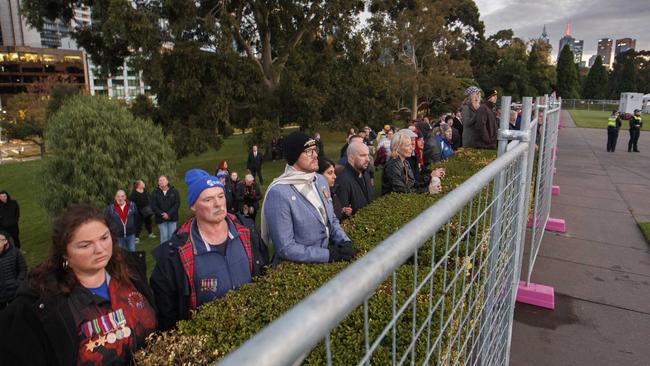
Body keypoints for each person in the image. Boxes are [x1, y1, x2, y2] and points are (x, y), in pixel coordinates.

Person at [0, 205, 156, 365]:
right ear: (64, 253)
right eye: (85, 245)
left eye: (104, 238)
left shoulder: (130, 271)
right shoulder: (42, 303)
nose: (100, 249)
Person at [150, 169, 268, 331]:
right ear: (193, 206)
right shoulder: (175, 255)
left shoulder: (247, 232)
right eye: (208, 199)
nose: (218, 203)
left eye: (220, 196)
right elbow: (168, 316)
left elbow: (264, 271)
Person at [261, 132, 355, 264]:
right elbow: (285, 247)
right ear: (295, 156)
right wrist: (328, 255)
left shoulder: (320, 180)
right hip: (296, 272)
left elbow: (331, 218)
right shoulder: (279, 193)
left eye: (315, 150)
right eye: (308, 151)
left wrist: (344, 241)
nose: (316, 155)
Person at [336, 141, 374, 220]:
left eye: (368, 155)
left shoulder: (365, 175)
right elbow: (343, 216)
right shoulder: (343, 181)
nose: (368, 159)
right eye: (362, 155)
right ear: (351, 157)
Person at [0, 230, 27, 309]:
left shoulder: (15, 253)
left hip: (15, 292)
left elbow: (23, 269)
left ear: (5, 241)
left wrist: (18, 283)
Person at [151, 175, 181, 244]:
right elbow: (153, 206)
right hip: (161, 218)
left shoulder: (174, 191)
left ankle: (172, 251)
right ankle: (164, 253)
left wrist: (169, 214)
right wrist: (162, 214)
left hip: (172, 217)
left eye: (163, 180)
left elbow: (177, 203)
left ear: (167, 181)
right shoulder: (155, 193)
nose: (162, 182)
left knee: (172, 236)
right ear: (158, 183)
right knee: (164, 236)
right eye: (160, 180)